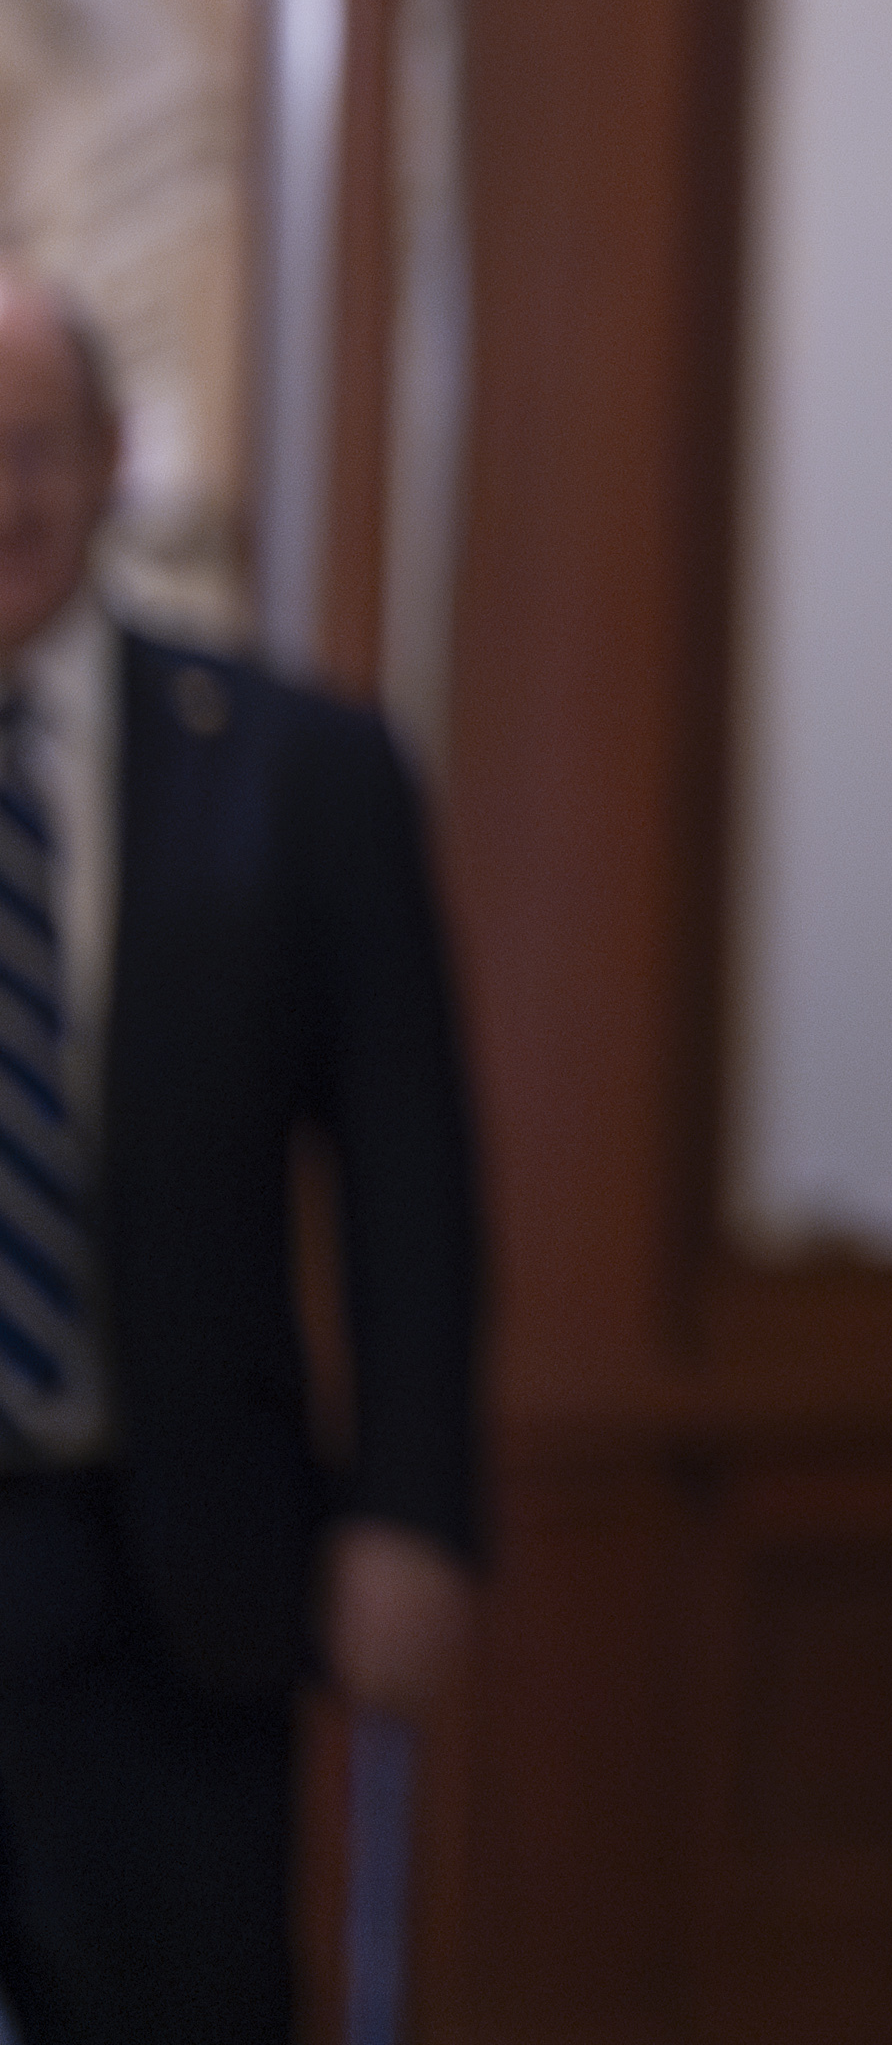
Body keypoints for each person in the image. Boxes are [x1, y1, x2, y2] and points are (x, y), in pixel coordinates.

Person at [0, 265, 485, 2045]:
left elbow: (413, 1178)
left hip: (177, 1583)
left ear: (114, 460)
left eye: (34, 448)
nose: (3, 499)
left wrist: (414, 1513)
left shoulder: (304, 767)